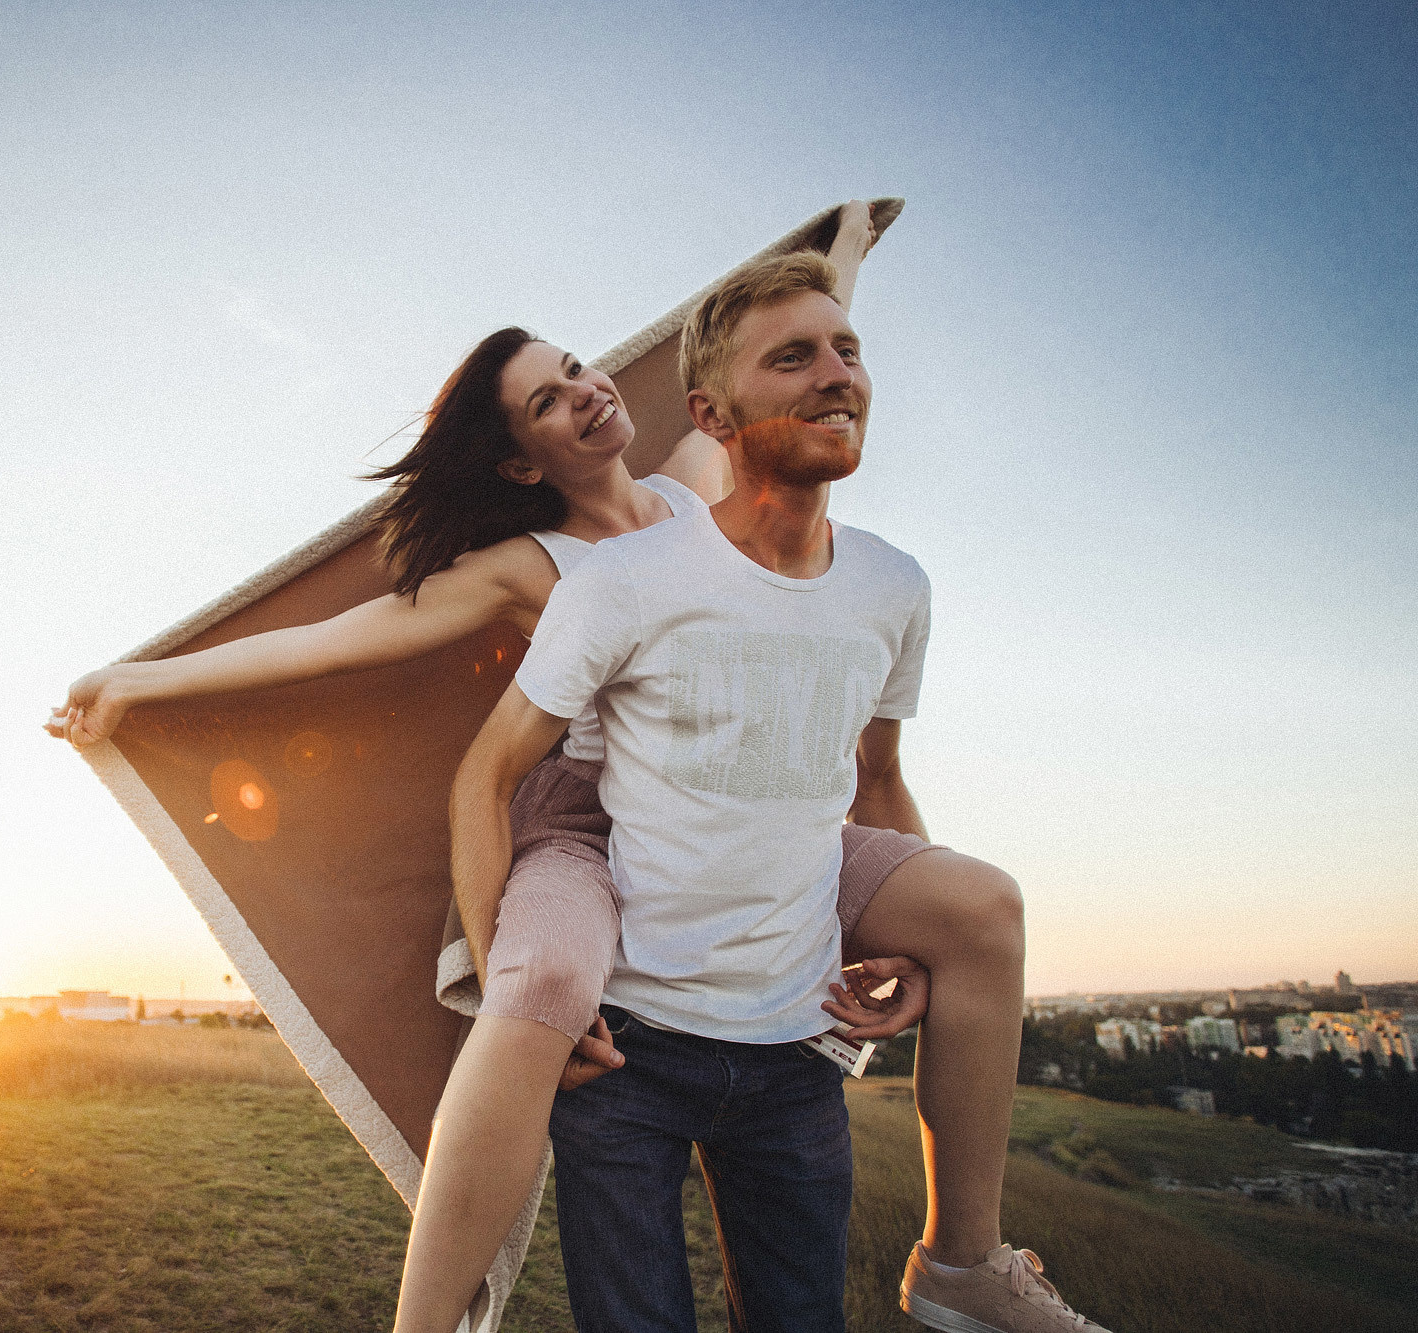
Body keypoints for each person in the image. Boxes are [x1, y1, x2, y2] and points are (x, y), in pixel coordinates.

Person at [47, 204, 1086, 1332]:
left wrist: (842, 245)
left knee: (978, 906)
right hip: (584, 829)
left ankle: (964, 1261)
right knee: (539, 986)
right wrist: (142, 682)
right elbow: (327, 644)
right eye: (548, 399)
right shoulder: (523, 567)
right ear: (517, 456)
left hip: (750, 811)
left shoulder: (695, 488)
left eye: (579, 370)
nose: (588, 393)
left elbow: (787, 347)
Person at [449, 248, 1110, 1332]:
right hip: (625, 1059)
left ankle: (960, 1264)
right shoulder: (618, 582)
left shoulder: (893, 585)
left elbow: (877, 778)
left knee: (983, 903)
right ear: (709, 412)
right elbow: (485, 777)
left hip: (796, 1064)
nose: (834, 375)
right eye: (793, 356)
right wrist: (510, 1001)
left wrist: (900, 946)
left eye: (845, 351)